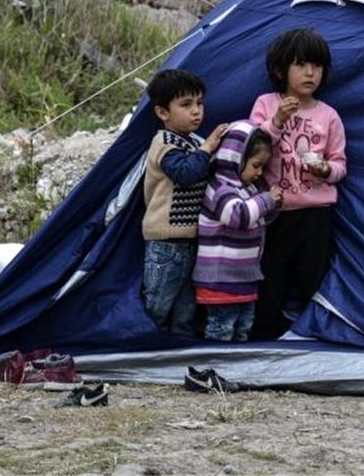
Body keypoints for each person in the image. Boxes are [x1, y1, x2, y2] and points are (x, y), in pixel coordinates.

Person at [249, 28, 347, 339]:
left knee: (312, 277)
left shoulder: (328, 115)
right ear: (280, 70)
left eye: (316, 66)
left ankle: (312, 334)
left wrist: (325, 169)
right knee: (270, 275)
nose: (310, 73)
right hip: (275, 212)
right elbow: (250, 148)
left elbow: (340, 164)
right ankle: (264, 332)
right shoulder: (266, 104)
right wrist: (276, 121)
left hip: (316, 213)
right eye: (301, 64)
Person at [141, 69, 228, 336]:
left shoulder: (192, 142)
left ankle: (176, 352)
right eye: (186, 104)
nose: (196, 111)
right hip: (166, 244)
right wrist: (209, 146)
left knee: (186, 308)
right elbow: (186, 174)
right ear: (162, 113)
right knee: (157, 304)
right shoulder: (164, 143)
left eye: (199, 103)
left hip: (191, 241)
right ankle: (143, 345)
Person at [192, 122, 283, 341]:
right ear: (236, 159)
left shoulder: (249, 189)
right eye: (256, 165)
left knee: (243, 326)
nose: (260, 172)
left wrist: (273, 205)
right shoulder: (220, 189)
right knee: (222, 327)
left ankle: (232, 369)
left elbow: (258, 217)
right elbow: (239, 216)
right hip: (220, 279)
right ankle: (213, 368)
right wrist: (266, 200)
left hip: (244, 278)